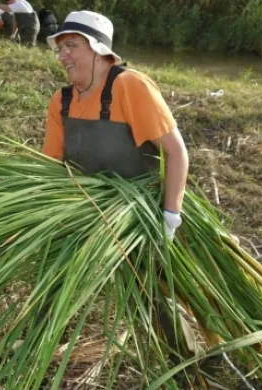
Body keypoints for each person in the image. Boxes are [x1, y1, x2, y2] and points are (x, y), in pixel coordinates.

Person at [42, 11, 188, 242]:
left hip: (141, 217)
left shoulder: (131, 86)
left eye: (70, 45)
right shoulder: (62, 101)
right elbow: (50, 165)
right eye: (59, 49)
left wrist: (170, 217)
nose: (62, 56)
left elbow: (176, 152)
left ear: (99, 51)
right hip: (87, 212)